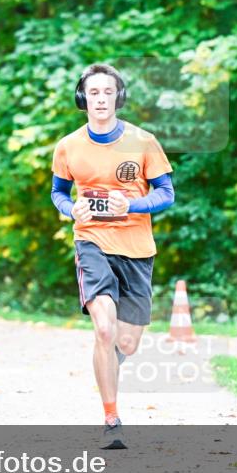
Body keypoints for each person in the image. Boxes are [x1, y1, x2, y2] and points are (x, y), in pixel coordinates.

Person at [50, 63, 175, 449]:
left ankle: (106, 364)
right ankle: (111, 420)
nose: (100, 99)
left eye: (107, 92)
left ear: (117, 98)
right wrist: (72, 210)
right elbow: (58, 193)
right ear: (82, 98)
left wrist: (133, 204)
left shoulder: (143, 142)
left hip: (137, 249)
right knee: (104, 329)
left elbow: (166, 194)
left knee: (128, 342)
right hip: (92, 242)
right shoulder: (68, 146)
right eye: (93, 92)